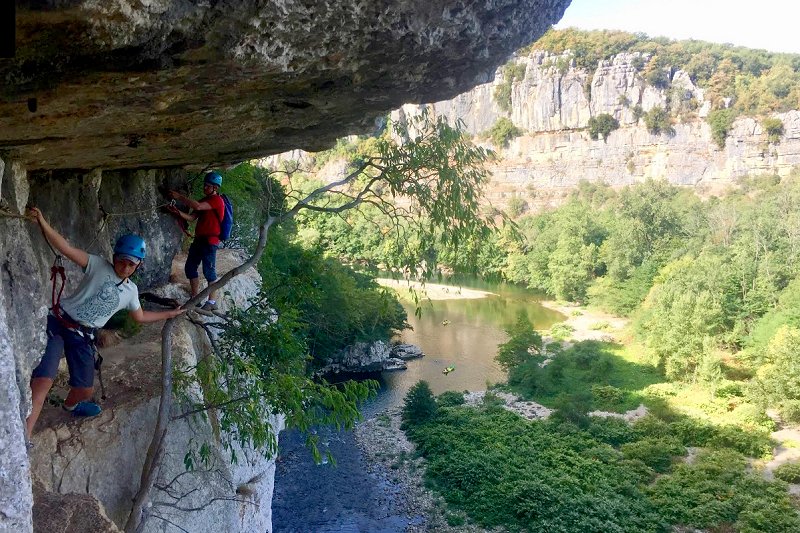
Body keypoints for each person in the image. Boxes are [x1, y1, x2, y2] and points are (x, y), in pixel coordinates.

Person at [25, 207, 185, 437]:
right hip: (59, 322)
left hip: (83, 335)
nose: (125, 268)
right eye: (121, 261)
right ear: (114, 257)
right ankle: (25, 438)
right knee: (42, 383)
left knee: (85, 390)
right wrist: (42, 221)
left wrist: (169, 315)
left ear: (139, 264)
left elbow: (140, 317)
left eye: (131, 264)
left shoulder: (131, 292)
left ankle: (70, 406)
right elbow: (66, 248)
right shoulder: (97, 265)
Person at [168, 171, 226, 311]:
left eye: (208, 186)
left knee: (209, 271)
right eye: (204, 185)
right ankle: (195, 298)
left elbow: (197, 207)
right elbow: (192, 217)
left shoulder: (217, 201)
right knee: (190, 268)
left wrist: (179, 197)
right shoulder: (204, 201)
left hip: (210, 241)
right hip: (199, 240)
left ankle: (212, 302)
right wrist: (177, 212)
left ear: (215, 188)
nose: (205, 188)